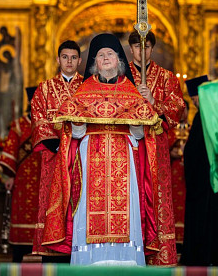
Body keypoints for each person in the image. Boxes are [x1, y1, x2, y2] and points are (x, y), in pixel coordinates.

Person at [42, 33, 164, 266]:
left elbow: (141, 135)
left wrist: (140, 114)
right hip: (91, 154)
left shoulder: (131, 90)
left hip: (123, 156)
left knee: (127, 209)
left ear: (118, 60)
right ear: (94, 62)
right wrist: (78, 122)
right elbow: (75, 133)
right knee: (89, 207)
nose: (106, 58)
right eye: (100, 55)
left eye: (110, 54)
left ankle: (125, 263)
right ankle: (90, 263)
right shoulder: (84, 90)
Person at [128, 30, 185, 266]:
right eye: (137, 47)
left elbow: (178, 108)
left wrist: (154, 102)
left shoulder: (166, 77)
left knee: (157, 196)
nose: (142, 52)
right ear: (131, 49)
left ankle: (160, 256)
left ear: (152, 48)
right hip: (129, 147)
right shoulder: (122, 76)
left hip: (157, 147)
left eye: (147, 47)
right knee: (131, 196)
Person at [31, 40, 83, 260]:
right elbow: (37, 116)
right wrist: (55, 143)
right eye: (65, 57)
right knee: (52, 201)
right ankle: (51, 250)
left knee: (79, 201)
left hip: (81, 156)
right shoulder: (44, 88)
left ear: (79, 60)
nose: (69, 61)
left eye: (73, 57)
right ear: (58, 59)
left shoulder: (88, 86)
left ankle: (79, 248)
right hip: (53, 156)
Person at [181, 75, 218, 266]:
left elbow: (196, 150)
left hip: (206, 181)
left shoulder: (206, 115)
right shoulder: (217, 113)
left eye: (195, 99)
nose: (195, 103)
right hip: (213, 179)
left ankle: (205, 256)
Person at [0, 86, 40, 263]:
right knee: (22, 212)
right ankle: (17, 257)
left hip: (43, 180)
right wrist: (9, 176)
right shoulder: (19, 125)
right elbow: (10, 151)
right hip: (23, 182)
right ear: (30, 102)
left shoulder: (47, 124)